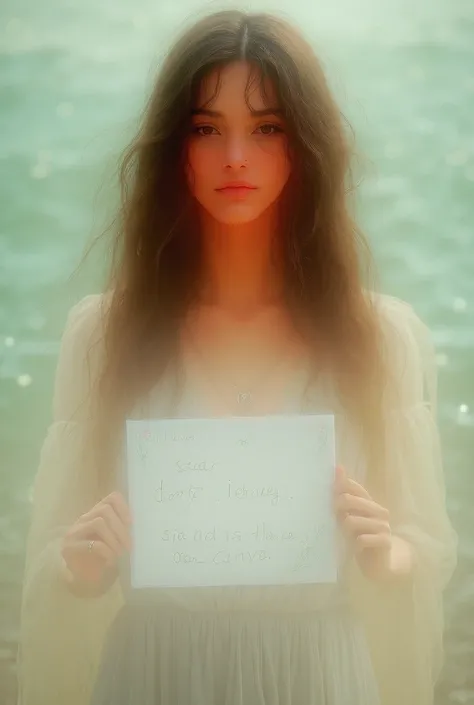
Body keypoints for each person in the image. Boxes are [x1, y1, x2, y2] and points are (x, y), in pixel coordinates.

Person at [17, 9, 457, 705]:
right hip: (154, 672)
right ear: (172, 149)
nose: (235, 159)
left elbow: (422, 548)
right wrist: (82, 566)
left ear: (307, 146)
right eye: (205, 128)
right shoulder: (103, 334)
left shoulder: (379, 335)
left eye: (267, 128)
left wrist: (384, 550)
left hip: (318, 672)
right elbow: (55, 562)